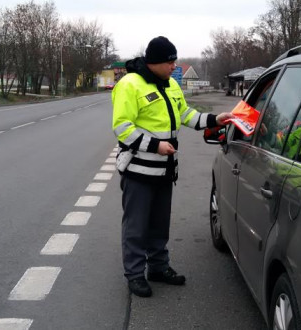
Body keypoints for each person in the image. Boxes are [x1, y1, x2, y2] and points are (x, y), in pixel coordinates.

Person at [111, 36, 233, 298]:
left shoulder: (171, 84)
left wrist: (215, 118)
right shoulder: (130, 85)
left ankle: (158, 267)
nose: (174, 65)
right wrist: (156, 146)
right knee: (136, 226)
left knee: (159, 224)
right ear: (154, 62)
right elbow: (122, 127)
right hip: (139, 171)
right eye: (170, 61)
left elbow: (185, 114)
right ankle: (134, 274)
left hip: (165, 170)